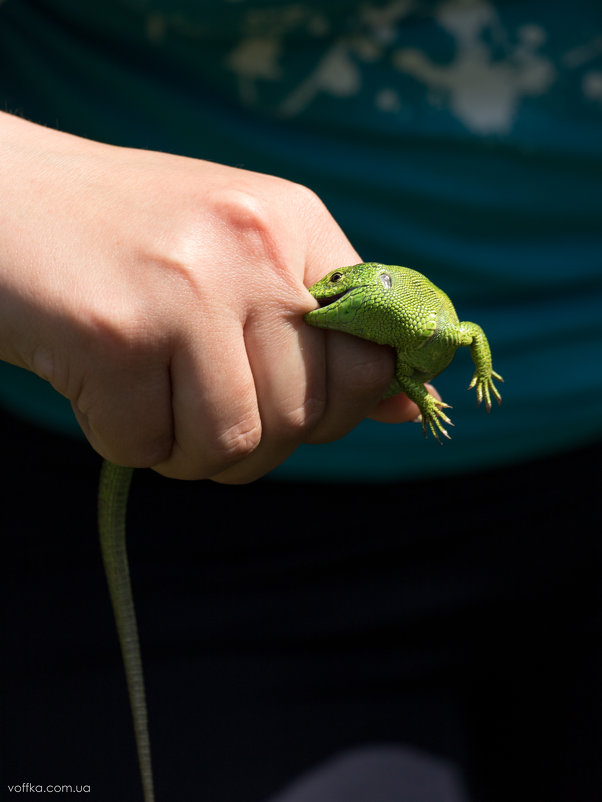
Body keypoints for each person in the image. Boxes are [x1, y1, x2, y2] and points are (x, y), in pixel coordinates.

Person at [1, 2, 601, 801]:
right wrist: (23, 184)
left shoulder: (439, 331)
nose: (320, 301)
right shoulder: (390, 323)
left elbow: (455, 343)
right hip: (156, 448)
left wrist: (438, 389)